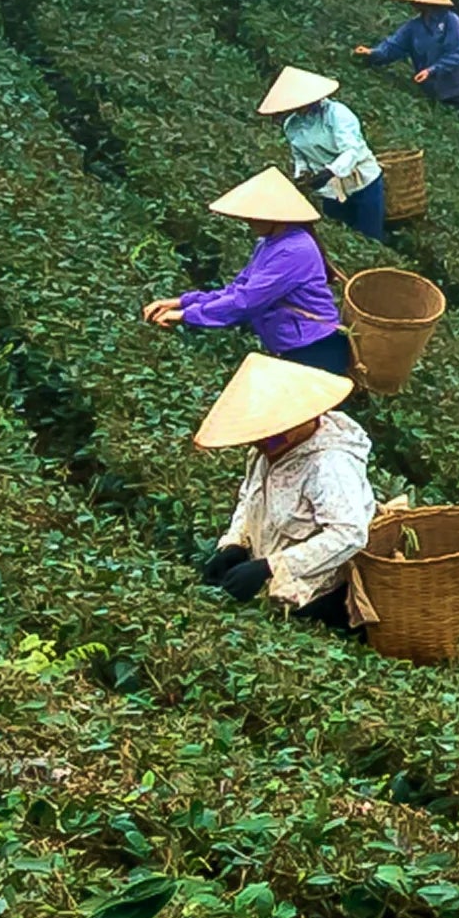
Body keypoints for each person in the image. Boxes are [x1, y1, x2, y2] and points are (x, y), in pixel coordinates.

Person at [190, 352, 376, 628]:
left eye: (275, 433)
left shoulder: (329, 464)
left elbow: (349, 534)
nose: (264, 442)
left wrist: (271, 566)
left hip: (316, 595)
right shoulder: (265, 451)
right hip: (266, 582)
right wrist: (234, 544)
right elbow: (250, 498)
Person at [140, 172, 352, 376]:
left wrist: (187, 315)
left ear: (276, 217)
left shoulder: (294, 251)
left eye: (254, 216)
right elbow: (238, 289)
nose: (248, 221)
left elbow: (247, 301)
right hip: (292, 345)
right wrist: (180, 302)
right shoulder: (268, 243)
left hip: (314, 349)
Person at [357, 0, 459, 147]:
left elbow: (455, 54)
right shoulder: (414, 27)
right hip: (434, 88)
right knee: (452, 129)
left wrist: (432, 70)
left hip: (458, 86)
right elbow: (394, 45)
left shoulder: (451, 21)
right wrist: (372, 52)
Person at [260, 66, 386, 242]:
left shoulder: (336, 114)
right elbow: (300, 155)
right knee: (341, 236)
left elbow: (351, 150)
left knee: (369, 236)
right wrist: (302, 174)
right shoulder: (292, 124)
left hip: (363, 183)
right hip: (329, 190)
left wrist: (329, 172)